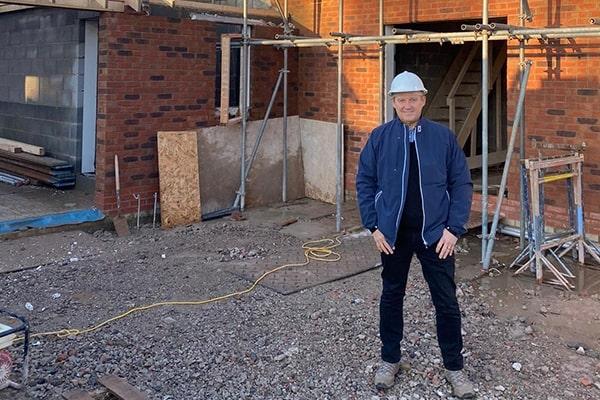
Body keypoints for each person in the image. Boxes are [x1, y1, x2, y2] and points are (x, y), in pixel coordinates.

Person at [356, 71, 475, 398]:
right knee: (392, 295)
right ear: (393, 103)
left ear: (423, 100)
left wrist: (453, 229)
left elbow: (461, 184)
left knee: (446, 300)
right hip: (392, 235)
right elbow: (365, 182)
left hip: (436, 235)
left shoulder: (442, 137)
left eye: (413, 98)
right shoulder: (380, 137)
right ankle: (389, 360)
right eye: (401, 99)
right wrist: (374, 225)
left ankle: (454, 367)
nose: (407, 104)